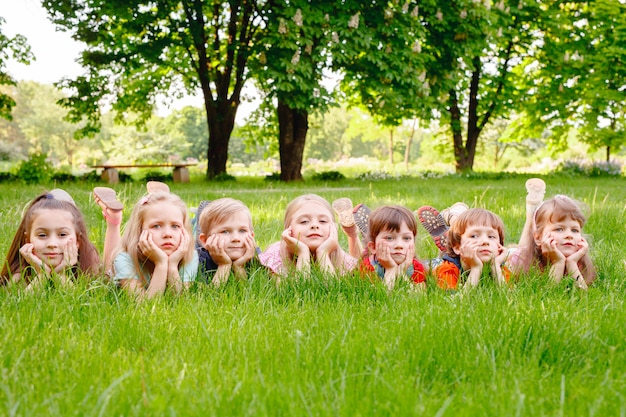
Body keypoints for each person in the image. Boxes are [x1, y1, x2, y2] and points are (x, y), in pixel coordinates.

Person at [1, 189, 101, 289]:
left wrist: (61, 274)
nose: (52, 244)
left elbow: (81, 301)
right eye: (42, 235)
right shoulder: (21, 273)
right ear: (28, 240)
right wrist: (42, 274)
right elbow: (19, 302)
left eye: (62, 234)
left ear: (77, 241)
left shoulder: (87, 268)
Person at [112, 188, 198, 298]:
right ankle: (113, 221)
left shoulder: (189, 256)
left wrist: (172, 265)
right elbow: (146, 306)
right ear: (139, 230)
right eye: (156, 226)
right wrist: (161, 263)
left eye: (175, 226)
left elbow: (179, 301)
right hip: (113, 269)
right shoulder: (125, 259)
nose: (167, 234)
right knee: (107, 264)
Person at [259, 194, 358, 278]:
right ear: (288, 229)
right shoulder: (277, 255)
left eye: (323, 221)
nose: (314, 225)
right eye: (304, 221)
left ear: (334, 228)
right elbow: (297, 293)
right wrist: (302, 253)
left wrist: (323, 253)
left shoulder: (339, 256)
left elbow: (333, 293)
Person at [509, 195, 596, 289]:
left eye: (574, 230)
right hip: (519, 254)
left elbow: (583, 294)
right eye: (559, 229)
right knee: (521, 248)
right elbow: (549, 294)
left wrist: (572, 263)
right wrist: (558, 262)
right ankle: (529, 217)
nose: (569, 235)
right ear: (538, 238)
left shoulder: (579, 261)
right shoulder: (521, 261)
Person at [434, 208, 510, 290]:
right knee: (427, 267)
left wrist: (495, 267)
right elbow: (455, 301)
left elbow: (509, 297)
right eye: (474, 236)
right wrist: (476, 268)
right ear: (457, 247)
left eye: (491, 237)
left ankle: (453, 219)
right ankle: (451, 217)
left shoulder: (499, 267)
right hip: (440, 263)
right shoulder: (448, 269)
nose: (485, 241)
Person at [360, 205, 426, 290]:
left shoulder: (416, 268)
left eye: (406, 238)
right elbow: (382, 298)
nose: (399, 245)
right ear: (373, 247)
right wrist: (390, 269)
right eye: (389, 238)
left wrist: (402, 271)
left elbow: (415, 298)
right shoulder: (369, 267)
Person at [196, 198, 259, 286]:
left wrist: (239, 267)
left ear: (252, 236)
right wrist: (224, 265)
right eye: (225, 231)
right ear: (205, 240)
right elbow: (209, 295)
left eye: (242, 231)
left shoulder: (254, 255)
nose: (236, 238)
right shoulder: (197, 260)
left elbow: (248, 292)